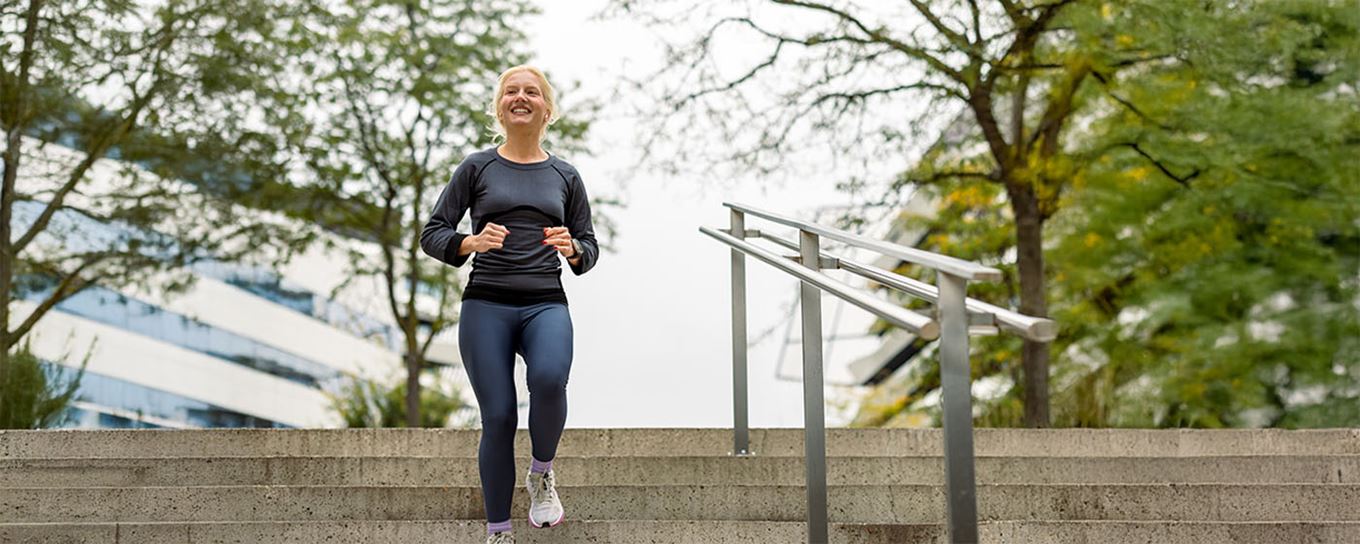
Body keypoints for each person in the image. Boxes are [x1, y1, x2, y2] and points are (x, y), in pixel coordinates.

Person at [419, 65, 599, 544]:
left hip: (545, 302)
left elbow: (589, 244)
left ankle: (542, 472)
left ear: (547, 108)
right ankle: (498, 531)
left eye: (532, 92)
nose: (521, 97)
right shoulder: (476, 167)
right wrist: (470, 242)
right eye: (510, 91)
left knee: (548, 378)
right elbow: (432, 233)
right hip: (487, 304)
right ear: (499, 107)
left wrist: (574, 248)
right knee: (498, 416)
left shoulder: (565, 174)